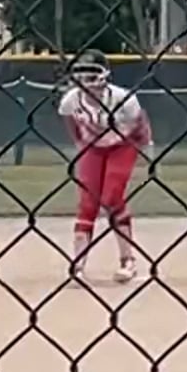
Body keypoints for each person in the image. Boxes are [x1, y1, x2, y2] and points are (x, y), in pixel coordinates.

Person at [56, 49, 151, 285]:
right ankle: (78, 264)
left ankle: (127, 260)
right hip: (93, 147)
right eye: (80, 74)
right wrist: (81, 143)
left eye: (90, 74)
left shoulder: (122, 98)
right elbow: (70, 122)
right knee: (87, 203)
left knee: (111, 197)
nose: (84, 80)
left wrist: (146, 151)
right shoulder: (71, 100)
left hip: (122, 145)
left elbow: (140, 125)